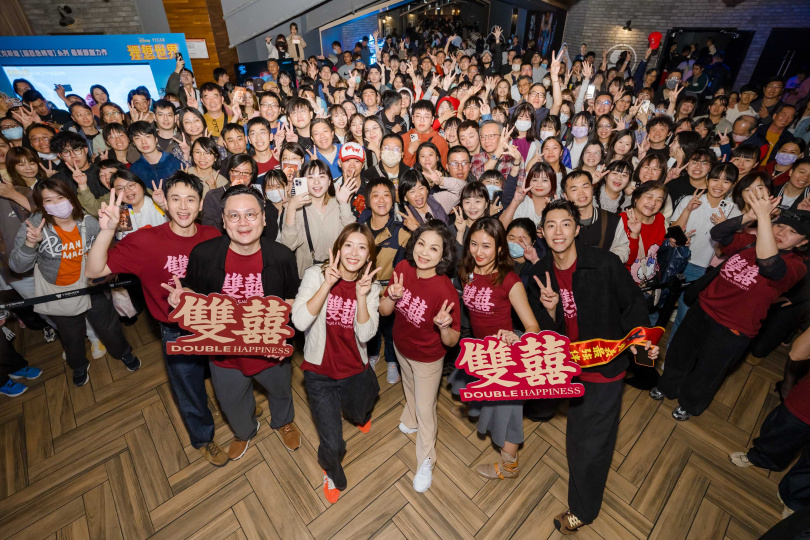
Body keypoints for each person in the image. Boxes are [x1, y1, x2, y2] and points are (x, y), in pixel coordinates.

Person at [527, 199, 658, 534]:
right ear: (542, 232)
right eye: (551, 225)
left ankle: (583, 510)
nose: (559, 231)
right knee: (577, 438)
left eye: (565, 223)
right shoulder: (538, 274)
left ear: (577, 227)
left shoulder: (604, 263)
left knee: (591, 445)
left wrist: (644, 350)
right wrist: (552, 311)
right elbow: (542, 336)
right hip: (567, 371)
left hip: (604, 371)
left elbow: (633, 307)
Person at [86, 170, 229, 465]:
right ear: (165, 202)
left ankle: (235, 408)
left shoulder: (212, 235)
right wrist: (107, 231)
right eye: (176, 199)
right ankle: (203, 437)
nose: (184, 206)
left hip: (214, 324)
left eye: (191, 199)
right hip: (176, 330)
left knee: (225, 375)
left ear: (201, 204)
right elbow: (94, 271)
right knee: (188, 387)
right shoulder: (146, 240)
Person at [166, 184, 302, 457]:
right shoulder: (204, 255)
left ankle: (284, 422)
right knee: (230, 400)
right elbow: (193, 291)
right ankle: (244, 431)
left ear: (264, 218)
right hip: (224, 353)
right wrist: (184, 300)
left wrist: (292, 310)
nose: (243, 223)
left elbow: (291, 299)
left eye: (250, 215)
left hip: (269, 348)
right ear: (223, 221)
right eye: (234, 216)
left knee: (280, 390)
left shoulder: (282, 256)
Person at [652, 200, 808, 421]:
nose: (783, 232)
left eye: (793, 232)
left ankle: (690, 403)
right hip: (703, 308)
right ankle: (667, 386)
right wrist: (749, 216)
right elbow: (719, 232)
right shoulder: (750, 242)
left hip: (733, 328)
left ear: (804, 242)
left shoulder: (796, 266)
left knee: (708, 369)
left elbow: (768, 263)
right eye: (780, 225)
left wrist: (764, 219)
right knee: (680, 352)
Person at [9, 178, 141, 387]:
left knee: (108, 327)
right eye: (49, 200)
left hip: (91, 285)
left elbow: (106, 250)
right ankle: (78, 365)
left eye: (60, 197)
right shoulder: (35, 225)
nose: (56, 204)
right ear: (41, 204)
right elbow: (16, 266)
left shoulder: (88, 221)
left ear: (70, 197)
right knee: (71, 335)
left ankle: (124, 353)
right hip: (58, 290)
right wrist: (29, 244)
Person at [292, 224, 381, 503]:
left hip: (355, 368)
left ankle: (361, 414)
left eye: (362, 247)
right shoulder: (315, 275)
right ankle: (331, 471)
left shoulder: (371, 287)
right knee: (333, 441)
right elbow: (299, 321)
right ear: (338, 248)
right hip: (320, 373)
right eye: (349, 245)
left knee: (360, 409)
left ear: (369, 257)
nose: (354, 253)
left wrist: (362, 297)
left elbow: (366, 334)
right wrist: (327, 284)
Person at [453, 217, 540, 479]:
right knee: (479, 398)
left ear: (500, 248)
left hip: (506, 352)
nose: (479, 252)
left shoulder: (509, 281)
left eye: (487, 246)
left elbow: (533, 327)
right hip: (481, 349)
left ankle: (509, 466)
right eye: (474, 244)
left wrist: (517, 339)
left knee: (509, 412)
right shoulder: (467, 270)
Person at [379, 220, 460, 492]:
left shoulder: (445, 290)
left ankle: (426, 459)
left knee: (427, 409)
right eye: (422, 244)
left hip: (428, 357)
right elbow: (385, 312)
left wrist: (445, 327)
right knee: (409, 387)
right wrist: (391, 295)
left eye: (434, 248)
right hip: (402, 346)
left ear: (443, 255)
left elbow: (452, 341)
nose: (424, 252)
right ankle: (410, 419)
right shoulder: (402, 269)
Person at [281, 159, 358, 277]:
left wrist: (344, 204)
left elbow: (352, 237)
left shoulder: (338, 204)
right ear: (303, 181)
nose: (316, 182)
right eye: (311, 177)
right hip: (306, 276)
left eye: (322, 176)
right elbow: (288, 245)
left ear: (329, 181)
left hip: (338, 274)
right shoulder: (296, 207)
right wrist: (291, 209)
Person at [203, 154, 279, 237]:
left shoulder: (258, 195)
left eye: (246, 173)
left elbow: (270, 232)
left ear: (252, 176)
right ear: (229, 172)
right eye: (236, 171)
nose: (240, 176)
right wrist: (229, 196)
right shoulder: (213, 196)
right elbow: (210, 231)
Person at [562, 170, 629, 263]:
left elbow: (622, 248)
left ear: (592, 189)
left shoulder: (613, 220)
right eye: (574, 189)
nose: (581, 193)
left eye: (585, 187)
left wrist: (606, 262)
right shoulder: (561, 222)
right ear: (566, 196)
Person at [620, 182, 668, 285]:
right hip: (624, 284)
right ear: (636, 198)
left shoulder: (659, 219)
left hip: (649, 282)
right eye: (649, 197)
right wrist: (635, 234)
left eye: (659, 200)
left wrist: (671, 242)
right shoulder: (621, 220)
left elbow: (657, 248)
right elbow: (627, 260)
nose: (653, 203)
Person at [128, 122, 183, 186]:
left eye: (147, 136)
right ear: (134, 143)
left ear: (156, 139)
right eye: (137, 138)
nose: (143, 142)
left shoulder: (175, 162)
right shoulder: (135, 169)